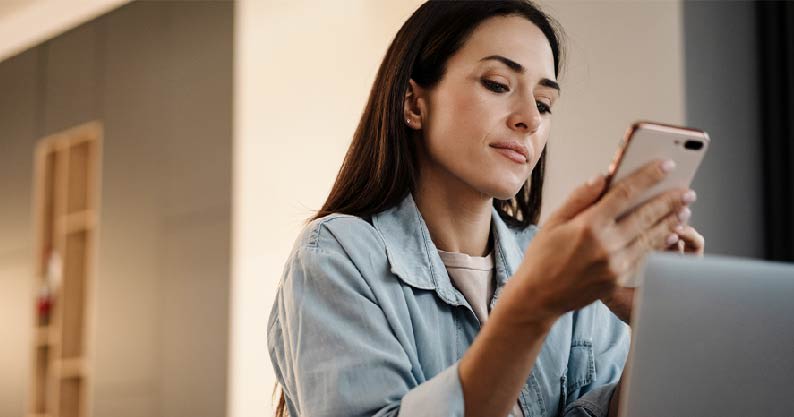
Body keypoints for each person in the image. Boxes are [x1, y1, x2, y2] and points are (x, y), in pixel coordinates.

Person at [267, 1, 705, 416]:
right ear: (414, 103)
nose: (529, 119)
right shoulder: (336, 256)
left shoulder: (565, 262)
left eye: (544, 103)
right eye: (497, 85)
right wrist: (534, 304)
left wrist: (652, 328)